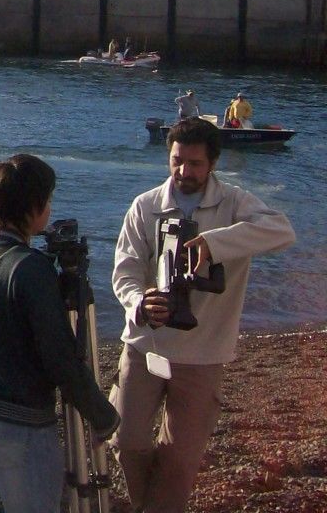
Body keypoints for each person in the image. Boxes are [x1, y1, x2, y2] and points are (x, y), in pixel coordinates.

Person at [110, 117, 295, 513]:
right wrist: (139, 301)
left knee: (180, 458)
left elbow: (282, 231)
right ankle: (149, 505)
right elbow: (124, 271)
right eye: (177, 161)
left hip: (203, 353)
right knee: (125, 440)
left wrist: (213, 244)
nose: (183, 172)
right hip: (146, 345)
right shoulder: (145, 206)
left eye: (194, 164)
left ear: (212, 163)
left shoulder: (234, 203)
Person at [0, 153, 119, 513]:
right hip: (16, 420)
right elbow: (60, 359)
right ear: (36, 206)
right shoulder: (32, 270)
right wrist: (102, 415)